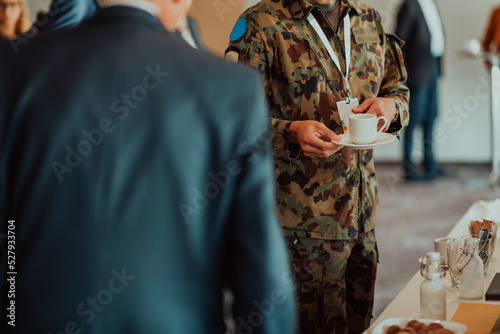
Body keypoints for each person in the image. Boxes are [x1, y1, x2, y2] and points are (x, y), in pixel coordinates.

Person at [0, 0, 296, 332]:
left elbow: (6, 235)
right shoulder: (232, 90)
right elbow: (263, 275)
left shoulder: (14, 69)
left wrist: (10, 314)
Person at [225, 0, 409, 333]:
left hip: (363, 216)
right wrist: (290, 132)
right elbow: (233, 119)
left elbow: (397, 88)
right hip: (302, 224)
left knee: (358, 323)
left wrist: (392, 106)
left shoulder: (368, 19)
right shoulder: (262, 23)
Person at [396, 0, 450, 181]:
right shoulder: (408, 5)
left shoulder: (432, 3)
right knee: (412, 120)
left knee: (431, 117)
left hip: (433, 67)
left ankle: (430, 163)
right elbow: (399, 41)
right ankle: (409, 169)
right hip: (417, 72)